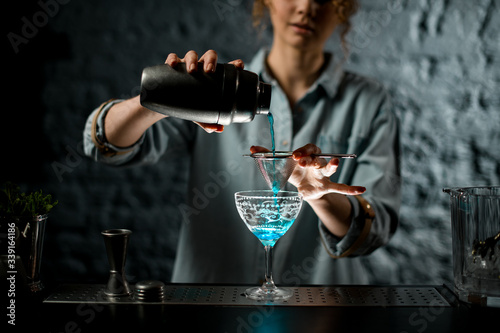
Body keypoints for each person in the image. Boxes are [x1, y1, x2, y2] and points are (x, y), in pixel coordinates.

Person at [83, 0, 400, 285]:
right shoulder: (217, 90)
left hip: (320, 313)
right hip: (207, 311)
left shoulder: (370, 103)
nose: (306, 6)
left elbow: (373, 233)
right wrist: (163, 95)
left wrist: (319, 197)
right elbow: (104, 146)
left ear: (342, 8)